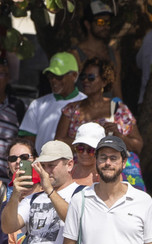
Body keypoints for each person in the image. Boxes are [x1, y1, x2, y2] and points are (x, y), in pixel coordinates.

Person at [54, 58, 144, 189]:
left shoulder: (119, 109)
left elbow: (138, 145)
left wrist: (119, 136)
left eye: (91, 77)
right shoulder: (71, 109)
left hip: (111, 171)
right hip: (79, 173)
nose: (85, 81)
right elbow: (58, 141)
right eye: (83, 77)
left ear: (104, 80)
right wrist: (86, 142)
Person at [18, 52, 86, 144]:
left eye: (59, 76)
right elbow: (27, 141)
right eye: (50, 76)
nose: (53, 80)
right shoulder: (37, 104)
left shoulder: (86, 104)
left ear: (74, 75)